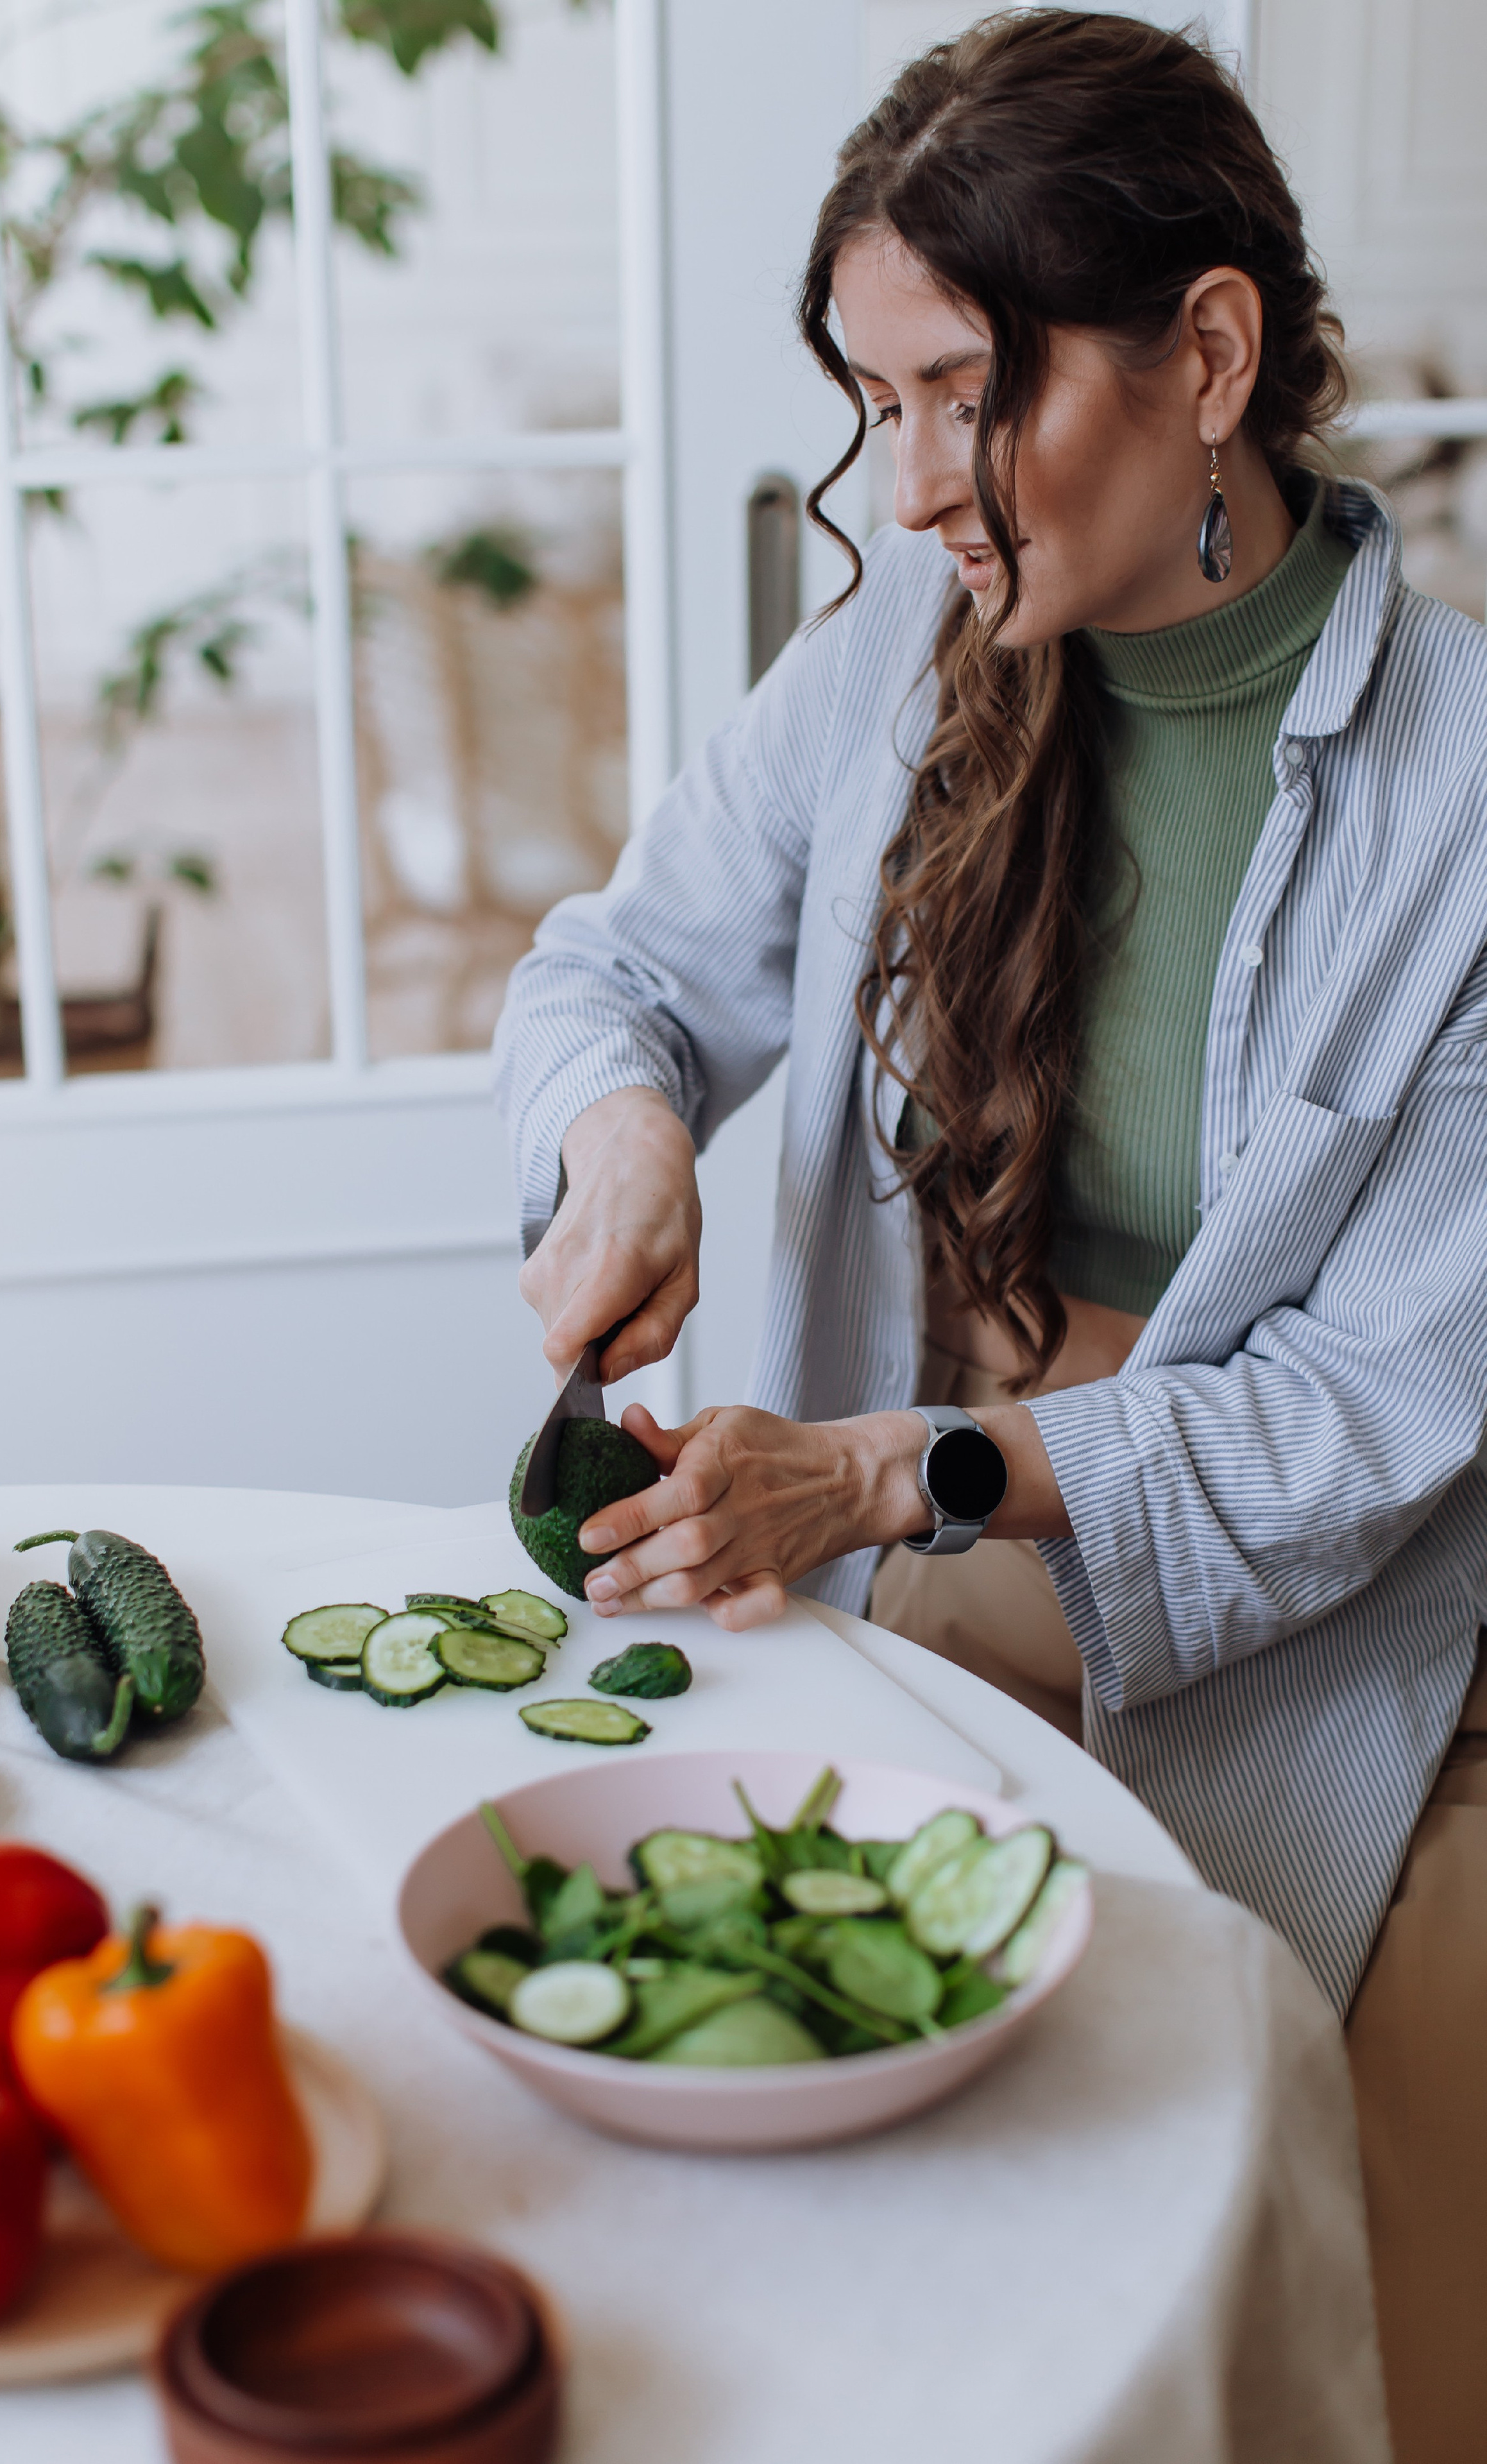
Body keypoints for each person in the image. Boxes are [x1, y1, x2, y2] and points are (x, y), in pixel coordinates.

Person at [492, 16, 1487, 2455]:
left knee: (1341, 2325)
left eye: (968, 396)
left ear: (1213, 353)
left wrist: (880, 1476)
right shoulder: (889, 670)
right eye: (876, 401)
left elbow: (1366, 1418)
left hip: (1388, 1652)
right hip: (944, 1546)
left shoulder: (1469, 811)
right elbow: (612, 965)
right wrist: (627, 1138)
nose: (909, 483)